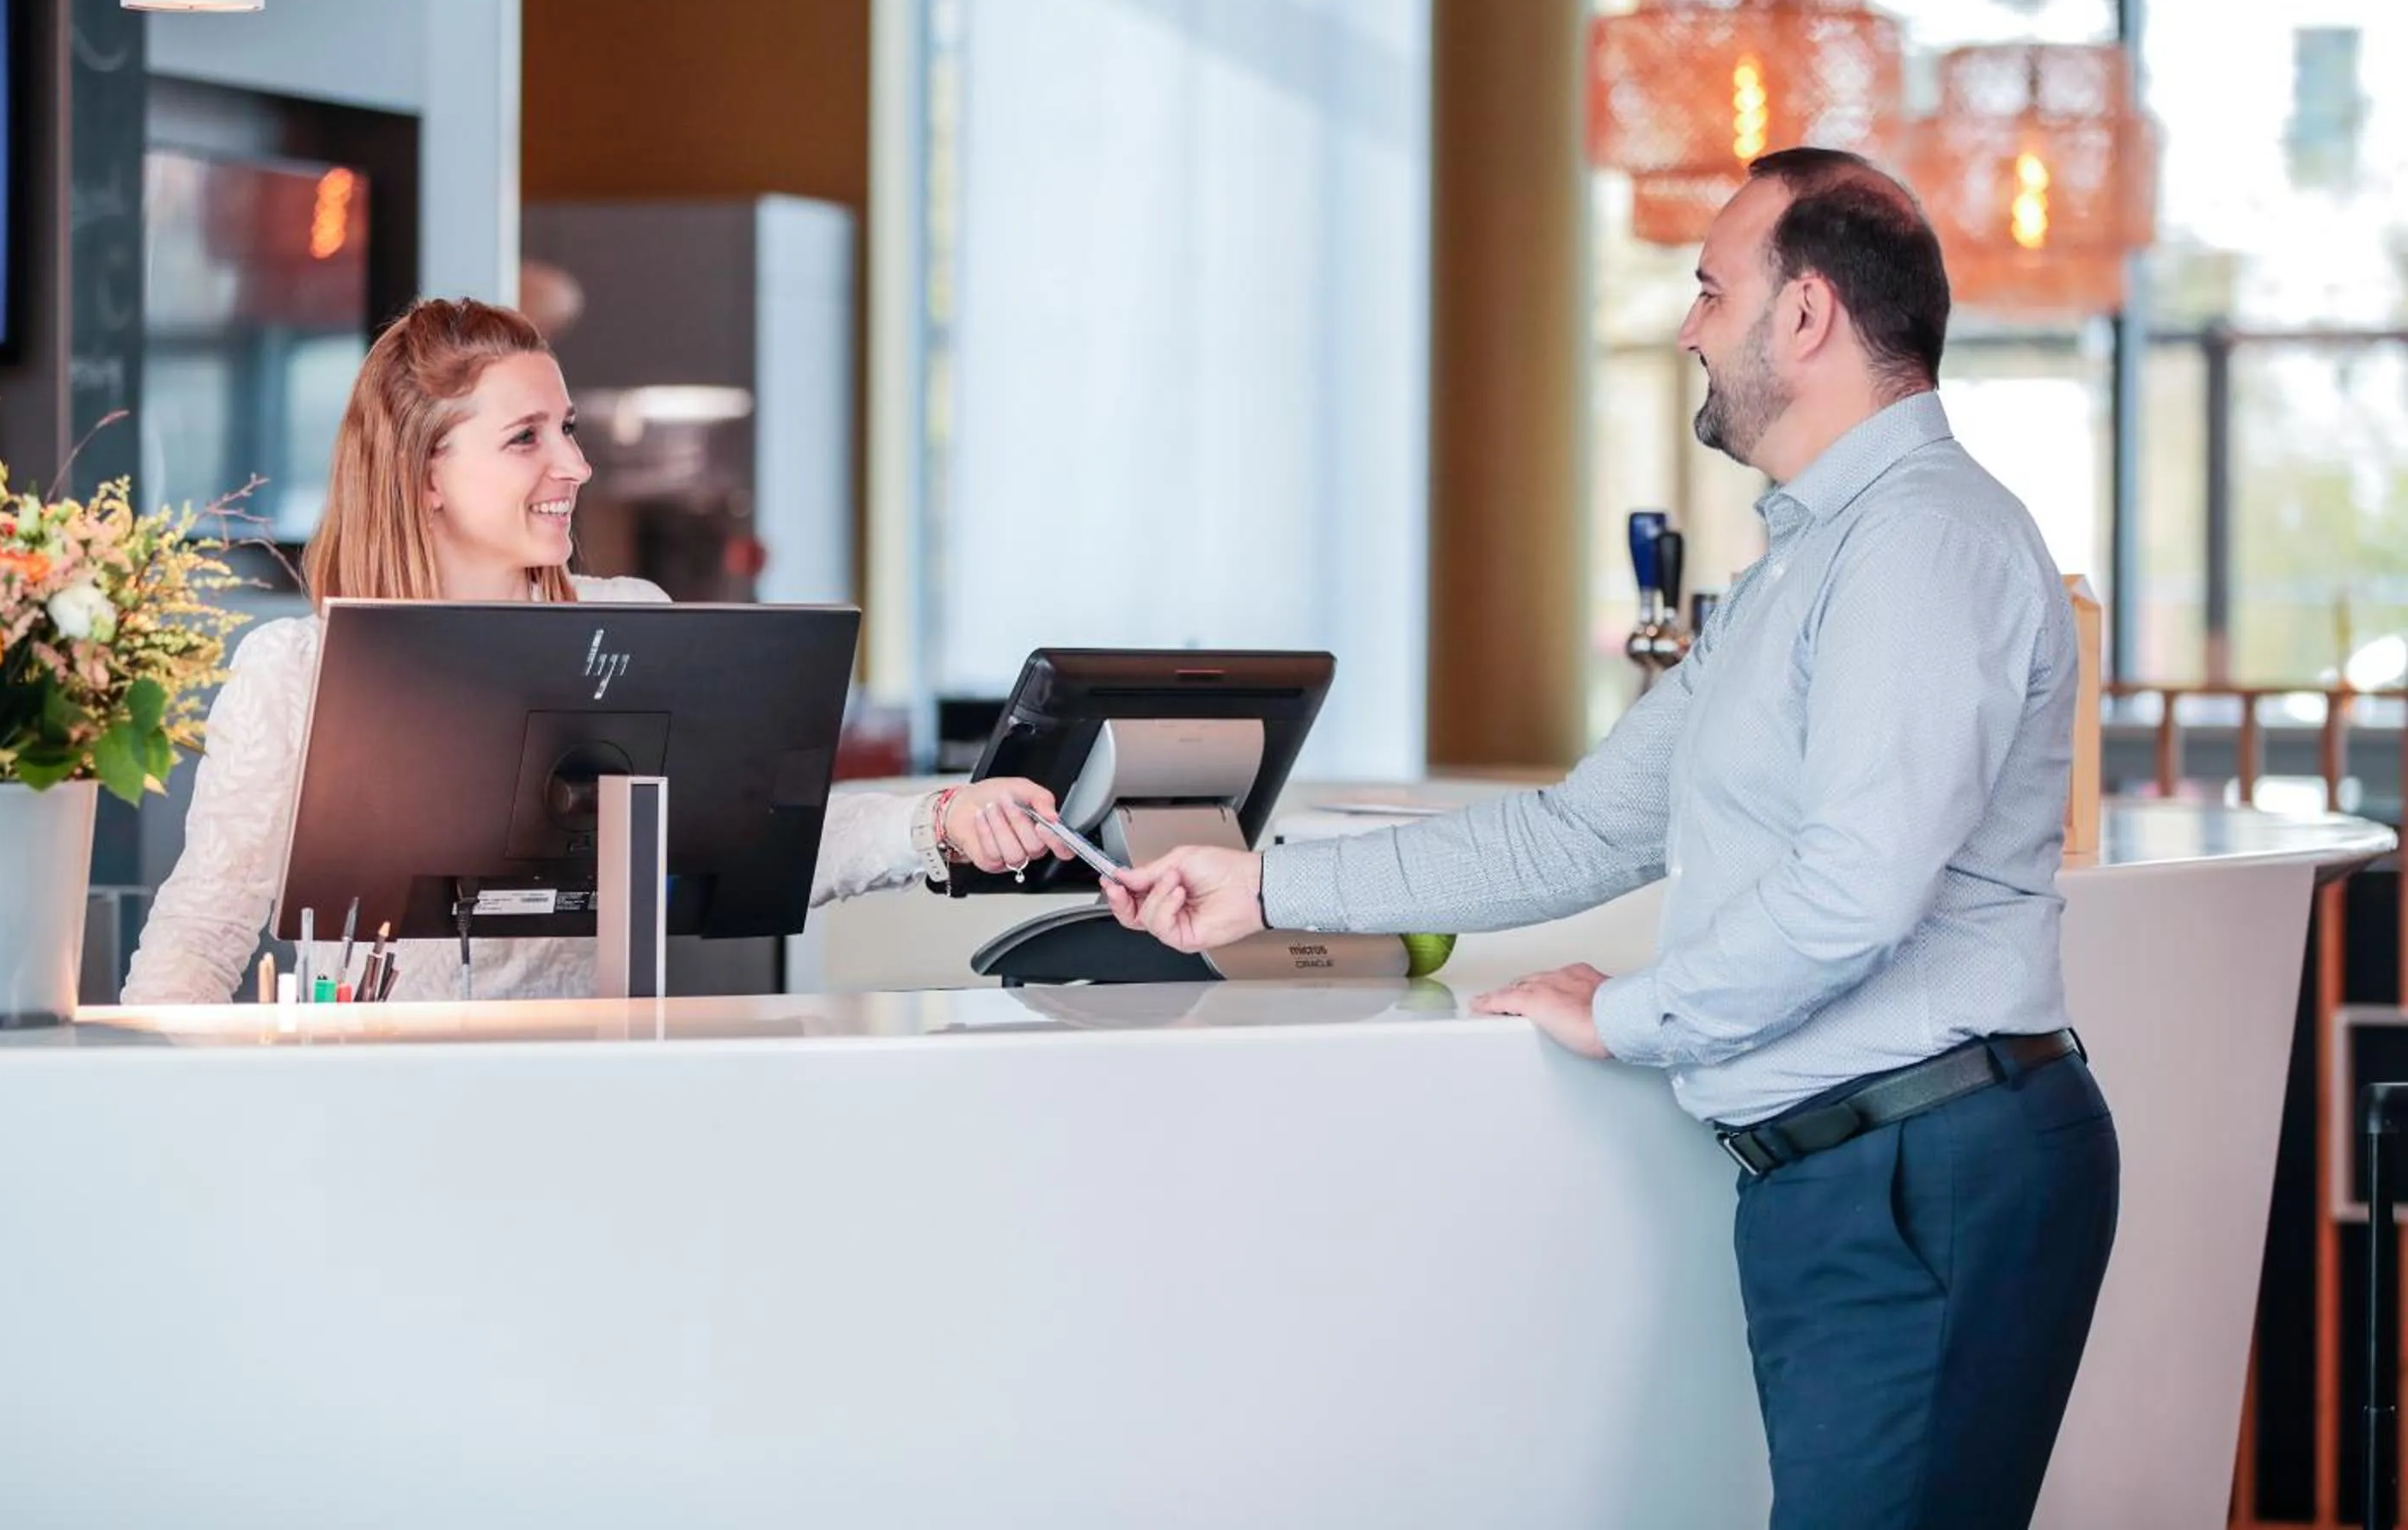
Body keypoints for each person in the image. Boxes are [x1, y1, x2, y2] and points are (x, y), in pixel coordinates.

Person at [1103, 149, 2119, 1530]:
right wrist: (1264, 888)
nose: (1692, 326)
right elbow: (1580, 830)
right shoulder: (1808, 566)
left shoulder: (1922, 543)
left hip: (1922, 1173)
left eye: (1713, 290)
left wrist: (1633, 1014)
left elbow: (1856, 892)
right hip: (1857, 1177)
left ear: (1807, 316)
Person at [123, 298, 1067, 1004]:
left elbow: (753, 836)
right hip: (375, 1112)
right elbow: (203, 933)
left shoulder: (627, 623)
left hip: (599, 1098)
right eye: (525, 437)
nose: (573, 465)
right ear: (426, 476)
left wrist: (940, 817)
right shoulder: (294, 671)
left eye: (565, 429)